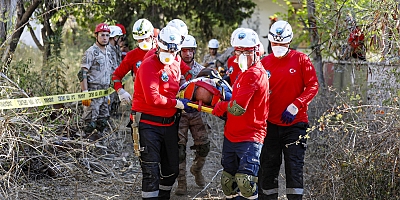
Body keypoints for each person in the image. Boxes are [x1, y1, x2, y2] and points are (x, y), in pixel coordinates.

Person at [258, 20, 319, 200]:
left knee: (294, 168)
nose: (278, 46)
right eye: (275, 43)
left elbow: (313, 86)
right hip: (269, 125)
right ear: (270, 41)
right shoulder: (263, 63)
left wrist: (296, 104)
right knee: (268, 168)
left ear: (289, 41)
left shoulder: (301, 60)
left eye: (282, 43)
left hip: (295, 125)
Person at [131, 25, 192, 199]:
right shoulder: (148, 65)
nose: (169, 54)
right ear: (158, 45)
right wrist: (178, 104)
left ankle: (163, 196)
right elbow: (154, 99)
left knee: (172, 169)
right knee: (151, 171)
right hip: (148, 124)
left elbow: (178, 85)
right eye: (166, 50)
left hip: (169, 123)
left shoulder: (176, 63)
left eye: (173, 52)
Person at [212, 28, 269, 199]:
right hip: (232, 134)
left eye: (246, 51)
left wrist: (220, 106)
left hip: (250, 136)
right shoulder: (243, 73)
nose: (241, 55)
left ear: (256, 51)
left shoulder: (255, 73)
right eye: (238, 51)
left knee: (246, 183)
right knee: (228, 182)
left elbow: (237, 108)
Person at [174, 35, 210, 195]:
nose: (187, 54)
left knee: (204, 147)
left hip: (197, 114)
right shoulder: (174, 68)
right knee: (179, 150)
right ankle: (182, 182)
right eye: (184, 50)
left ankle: (196, 169)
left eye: (190, 50)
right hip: (179, 114)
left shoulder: (201, 71)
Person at [77, 23, 113, 141]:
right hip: (93, 90)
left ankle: (99, 145)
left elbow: (107, 73)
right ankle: (85, 146)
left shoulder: (108, 52)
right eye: (102, 35)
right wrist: (85, 92)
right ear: (96, 35)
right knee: (89, 122)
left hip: (104, 91)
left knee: (103, 121)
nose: (105, 38)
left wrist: (107, 93)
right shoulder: (91, 52)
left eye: (107, 35)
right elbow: (82, 73)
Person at [112, 18, 156, 108]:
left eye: (145, 38)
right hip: (141, 102)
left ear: (152, 35)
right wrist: (120, 91)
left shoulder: (163, 51)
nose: (143, 42)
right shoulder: (131, 56)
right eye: (140, 39)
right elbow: (116, 76)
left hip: (161, 101)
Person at [108, 25, 123, 116]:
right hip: (109, 81)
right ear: (115, 37)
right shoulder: (107, 49)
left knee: (115, 100)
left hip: (116, 80)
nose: (121, 39)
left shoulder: (116, 48)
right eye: (119, 37)